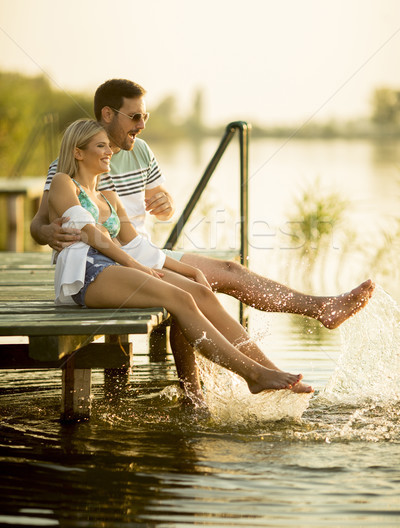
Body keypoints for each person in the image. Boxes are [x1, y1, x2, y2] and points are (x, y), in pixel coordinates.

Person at [30, 78, 375, 336]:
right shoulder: (71, 164)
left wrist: (166, 205)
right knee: (194, 289)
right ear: (108, 113)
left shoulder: (142, 151)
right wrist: (50, 232)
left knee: (229, 270)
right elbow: (39, 226)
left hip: (144, 250)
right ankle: (200, 394)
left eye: (145, 116)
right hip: (105, 265)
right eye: (135, 116)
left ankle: (319, 309)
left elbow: (161, 210)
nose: (142, 124)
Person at [49, 118, 312, 407]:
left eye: (109, 146)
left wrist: (190, 270)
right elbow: (91, 233)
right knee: (178, 297)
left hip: (116, 268)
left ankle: (269, 370)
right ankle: (253, 375)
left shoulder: (109, 197)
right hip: (86, 274)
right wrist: (137, 268)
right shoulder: (64, 183)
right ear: (78, 152)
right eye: (101, 146)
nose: (109, 151)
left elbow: (138, 246)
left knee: (197, 291)